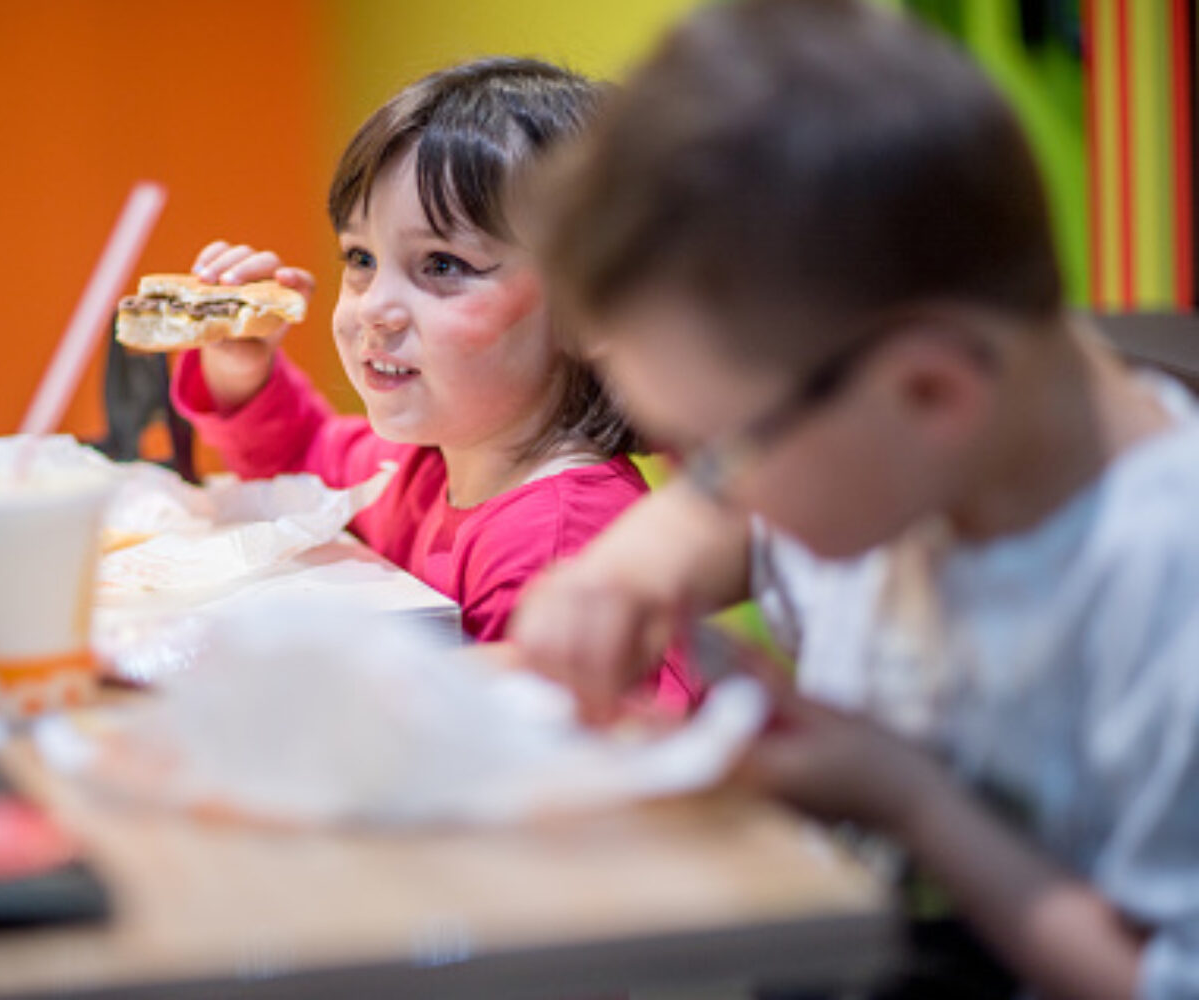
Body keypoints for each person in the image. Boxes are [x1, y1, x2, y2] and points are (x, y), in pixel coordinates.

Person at [509, 1, 1199, 997]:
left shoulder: (1164, 592)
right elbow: (711, 520)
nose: (699, 486)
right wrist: (620, 572)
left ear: (931, 392)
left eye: (714, 450)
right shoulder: (895, 456)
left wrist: (915, 806)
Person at [168, 58, 697, 710]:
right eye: (361, 258)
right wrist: (239, 368)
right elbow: (297, 460)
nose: (373, 307)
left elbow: (554, 747)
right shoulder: (418, 463)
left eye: (442, 265)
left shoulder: (563, 545)